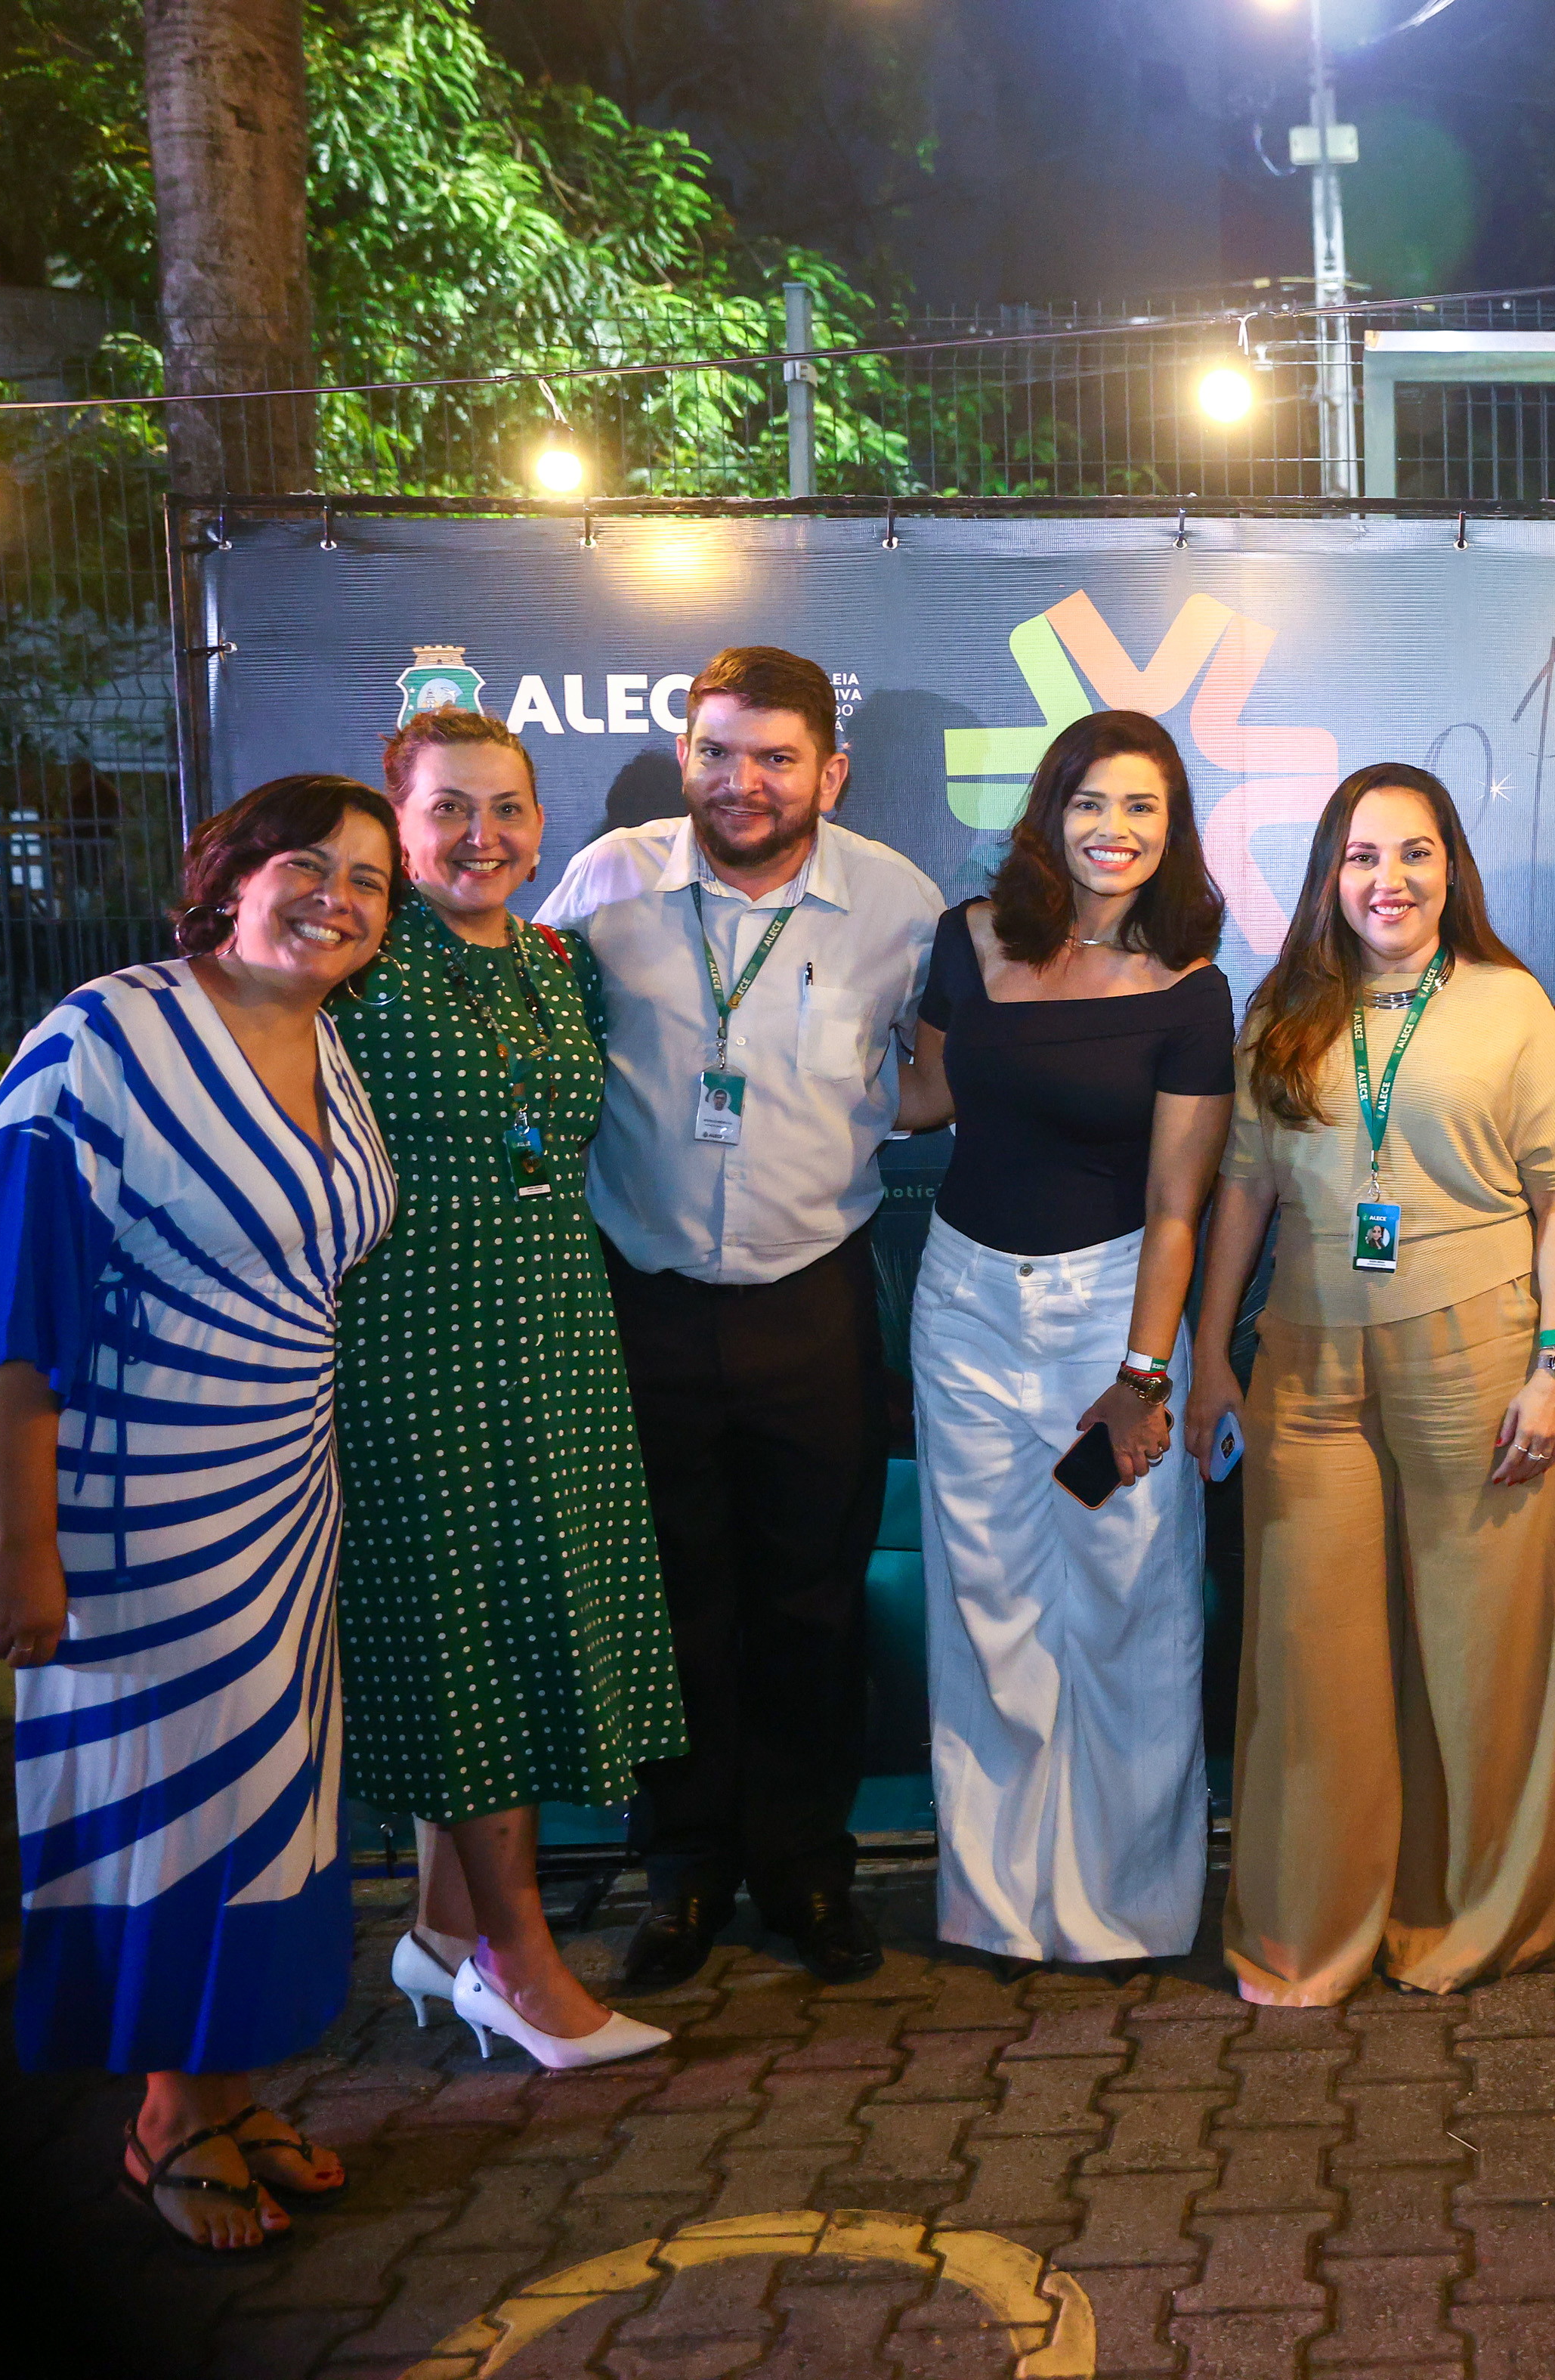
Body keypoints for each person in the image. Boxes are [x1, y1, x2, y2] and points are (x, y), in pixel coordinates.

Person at [0, 776, 400, 2252]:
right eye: (308, 864)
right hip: (138, 1508)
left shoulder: (325, 1043)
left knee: (269, 1808)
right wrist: (22, 1540)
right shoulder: (104, 1034)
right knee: (170, 1810)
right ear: (229, 874)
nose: (338, 896)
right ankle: (165, 2117)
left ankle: (227, 2085)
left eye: (368, 880)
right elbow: (13, 1306)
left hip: (281, 1493)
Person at [535, 645, 946, 1990]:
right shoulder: (606, 883)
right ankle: (686, 1868)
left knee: (813, 1600)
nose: (743, 781)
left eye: (776, 757)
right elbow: (522, 1042)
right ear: (684, 757)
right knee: (673, 1599)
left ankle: (808, 1867)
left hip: (813, 1297)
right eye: (718, 752)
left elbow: (937, 1079)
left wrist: (861, 1114)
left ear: (832, 770)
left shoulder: (897, 903)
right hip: (639, 1297)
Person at [1189, 763, 1555, 2006]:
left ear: (1451, 868)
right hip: (1307, 1362)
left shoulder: (1510, 1004)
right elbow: (1243, 1191)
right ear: (1331, 873)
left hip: (1481, 1353)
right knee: (1311, 1660)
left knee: (1482, 1655)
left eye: (1416, 853)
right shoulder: (1282, 1010)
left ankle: (1474, 1917)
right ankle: (1310, 1930)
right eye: (1364, 856)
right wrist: (1209, 1354)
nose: (1391, 880)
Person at [345, 708, 682, 2068]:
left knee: (519, 1622)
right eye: (448, 809)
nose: (480, 836)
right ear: (398, 826)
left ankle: (440, 1928)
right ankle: (518, 1962)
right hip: (416, 1339)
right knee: (459, 1634)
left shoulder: (560, 963)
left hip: (555, 1333)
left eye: (506, 809)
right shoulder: (353, 961)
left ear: (541, 828)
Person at [891, 711, 1235, 1967]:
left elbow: (1178, 1205)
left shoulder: (1192, 990)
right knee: (986, 1602)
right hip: (965, 1306)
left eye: (1143, 807)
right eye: (1092, 802)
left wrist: (1144, 1375)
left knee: (1127, 1602)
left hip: (1111, 1315)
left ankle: (1127, 1909)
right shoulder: (967, 939)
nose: (1115, 830)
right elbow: (927, 1094)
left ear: (1173, 829)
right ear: (1051, 812)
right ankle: (995, 1905)